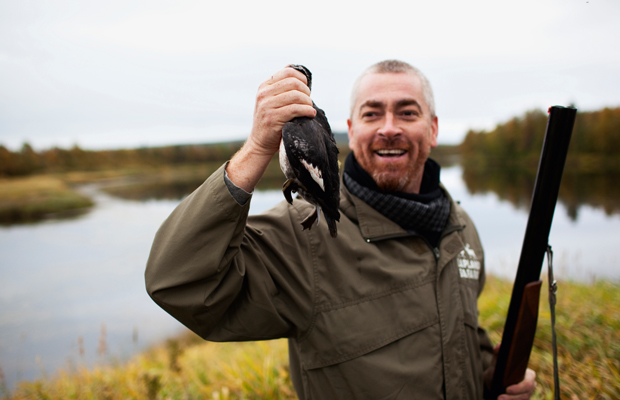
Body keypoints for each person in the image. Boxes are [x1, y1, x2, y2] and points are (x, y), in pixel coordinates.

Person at [145, 60, 537, 399]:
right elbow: (179, 282)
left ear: (433, 130)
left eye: (407, 112)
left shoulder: (460, 229)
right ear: (350, 129)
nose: (389, 128)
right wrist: (258, 147)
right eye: (371, 114)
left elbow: (457, 329)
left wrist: (489, 375)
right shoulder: (304, 236)